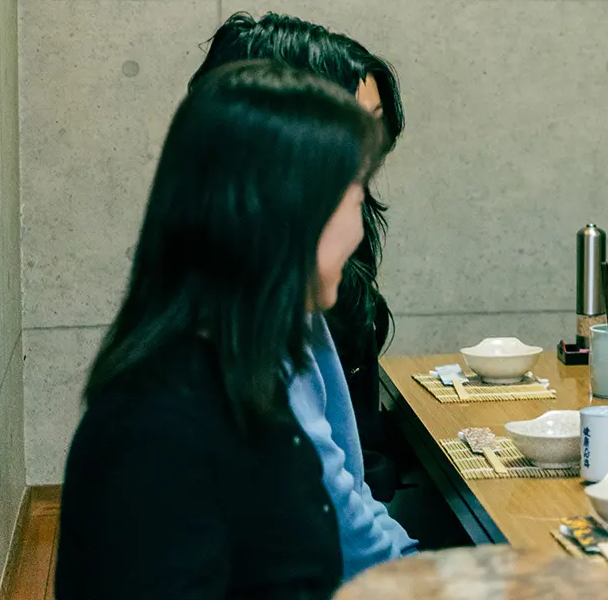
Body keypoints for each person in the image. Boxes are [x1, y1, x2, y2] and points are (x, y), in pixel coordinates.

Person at [57, 61, 386, 599]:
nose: (358, 230)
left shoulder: (250, 371)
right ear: (288, 216)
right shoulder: (155, 430)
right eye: (353, 199)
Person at [190, 13, 416, 575]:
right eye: (347, 139)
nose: (362, 210)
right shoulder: (242, 334)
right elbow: (332, 520)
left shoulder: (282, 301)